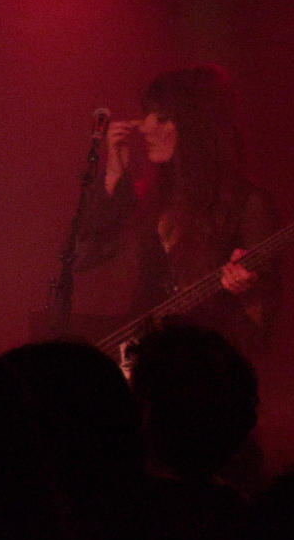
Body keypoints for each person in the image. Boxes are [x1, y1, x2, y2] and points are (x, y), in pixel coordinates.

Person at [77, 64, 279, 353]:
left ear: (195, 127)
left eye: (162, 117)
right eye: (147, 115)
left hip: (205, 360)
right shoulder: (146, 197)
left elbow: (263, 322)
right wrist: (112, 174)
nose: (144, 127)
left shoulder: (247, 203)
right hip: (143, 360)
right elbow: (81, 257)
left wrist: (247, 289)